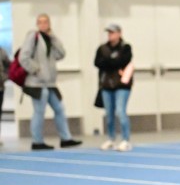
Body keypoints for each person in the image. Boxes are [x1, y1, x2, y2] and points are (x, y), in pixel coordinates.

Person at [19, 14, 82, 151]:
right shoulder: (33, 37)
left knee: (60, 108)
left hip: (50, 83)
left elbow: (61, 54)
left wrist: (52, 36)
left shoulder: (50, 39)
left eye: (45, 22)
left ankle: (66, 138)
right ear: (37, 24)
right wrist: (36, 69)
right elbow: (23, 57)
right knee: (39, 111)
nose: (43, 24)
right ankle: (37, 141)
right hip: (37, 83)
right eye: (40, 22)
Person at [94, 23, 134, 151]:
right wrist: (112, 62)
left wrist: (109, 62)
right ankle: (111, 138)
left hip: (122, 85)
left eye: (113, 32)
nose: (110, 35)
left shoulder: (126, 47)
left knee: (121, 111)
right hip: (107, 85)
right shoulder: (102, 48)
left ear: (119, 33)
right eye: (109, 33)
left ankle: (126, 139)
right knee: (109, 114)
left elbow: (122, 61)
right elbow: (98, 62)